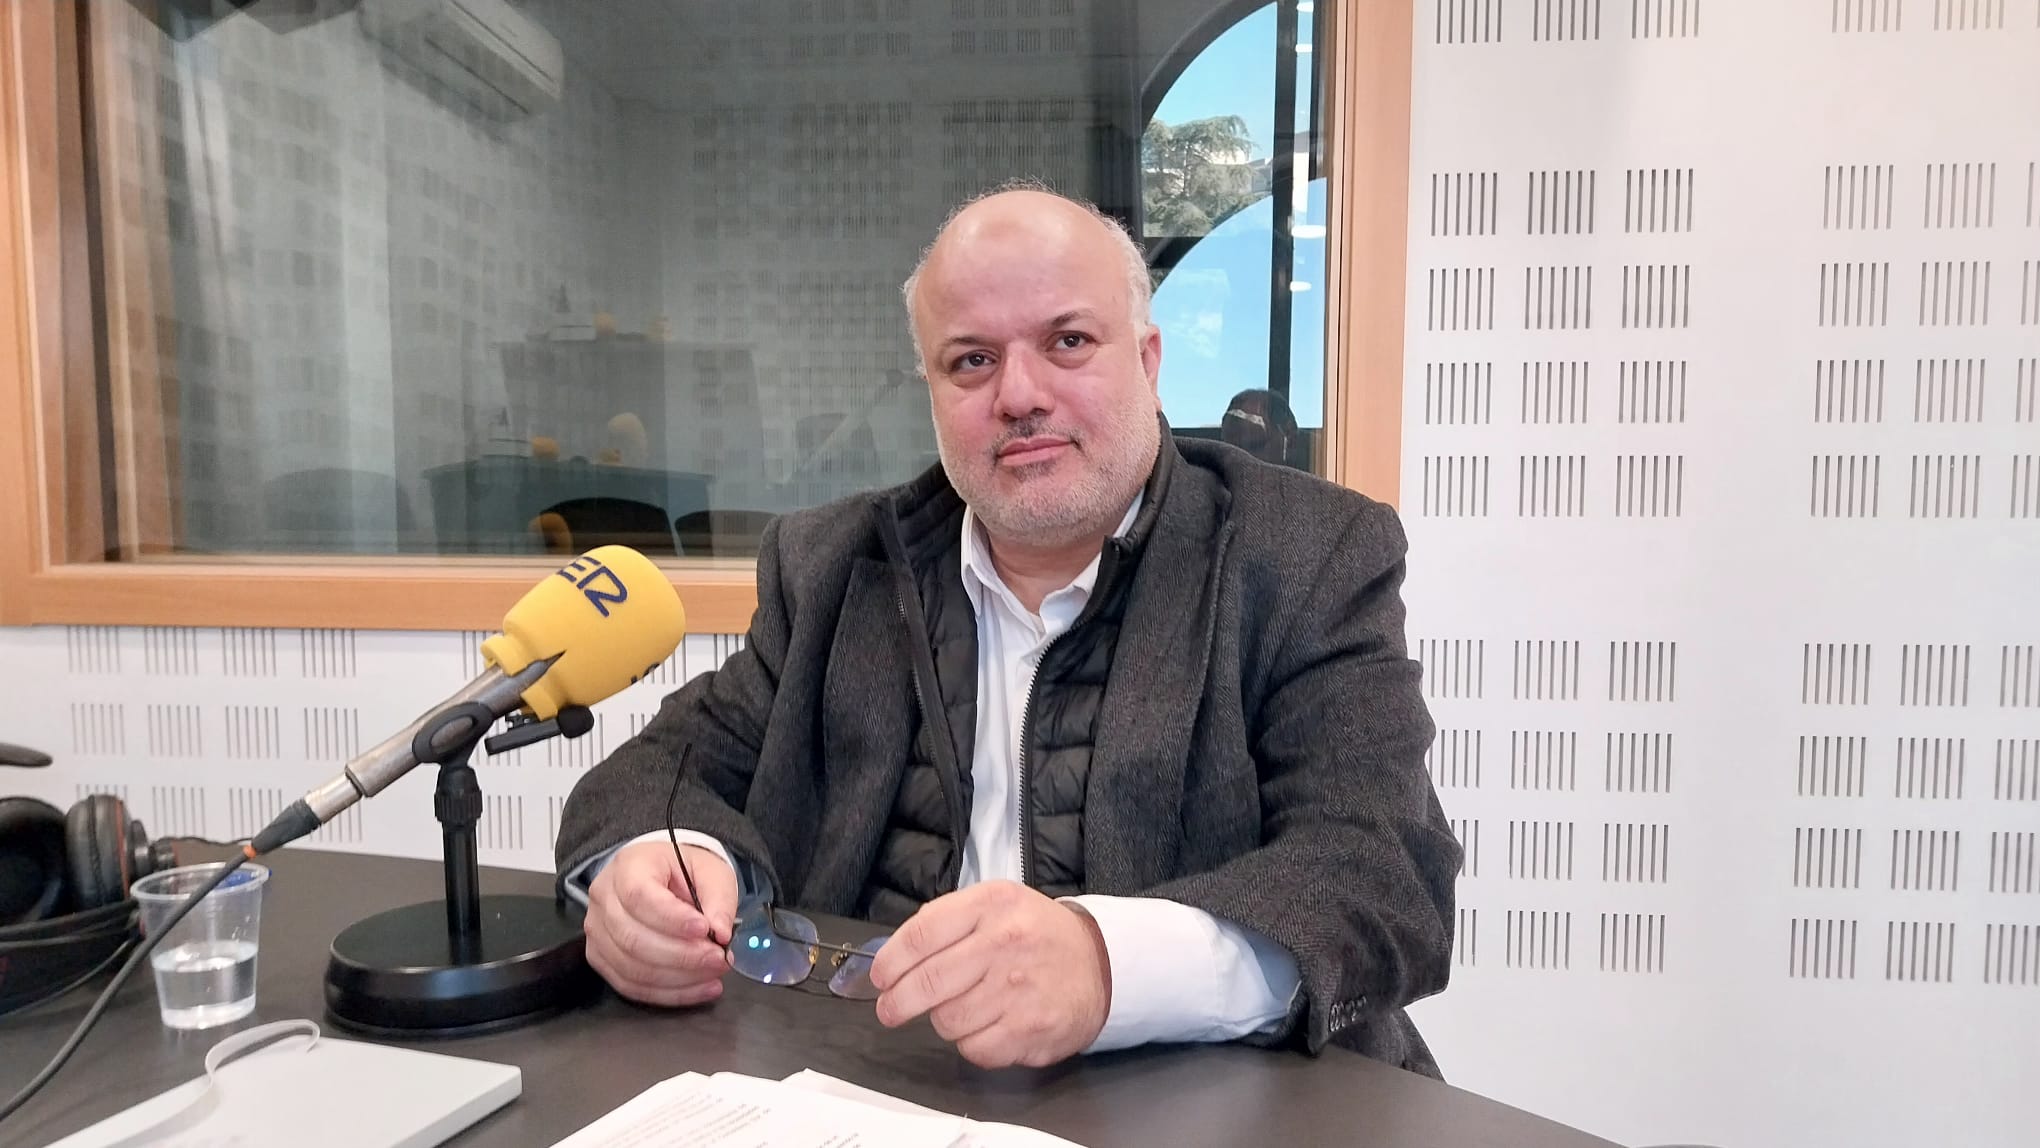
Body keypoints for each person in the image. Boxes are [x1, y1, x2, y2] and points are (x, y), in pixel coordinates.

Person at [553, 182, 1461, 1077]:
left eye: (1068, 342)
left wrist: (1108, 965)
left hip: (1211, 1105)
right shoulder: (835, 567)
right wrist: (653, 876)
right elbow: (662, 772)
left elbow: (1382, 868)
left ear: (1147, 362)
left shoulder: (1303, 555)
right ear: (933, 391)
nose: (1020, 395)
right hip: (870, 1088)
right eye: (972, 361)